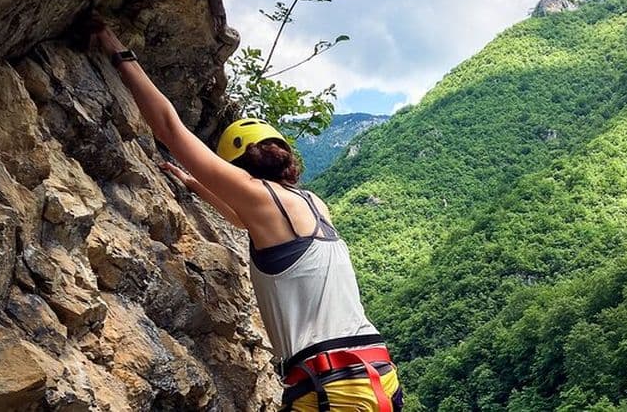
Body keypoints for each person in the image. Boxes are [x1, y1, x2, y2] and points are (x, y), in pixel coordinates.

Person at [93, 25, 403, 412]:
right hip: (379, 375)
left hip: (330, 385)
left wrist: (116, 49)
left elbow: (171, 128)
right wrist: (194, 185)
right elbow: (243, 221)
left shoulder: (260, 197)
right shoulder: (314, 204)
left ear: (237, 166)